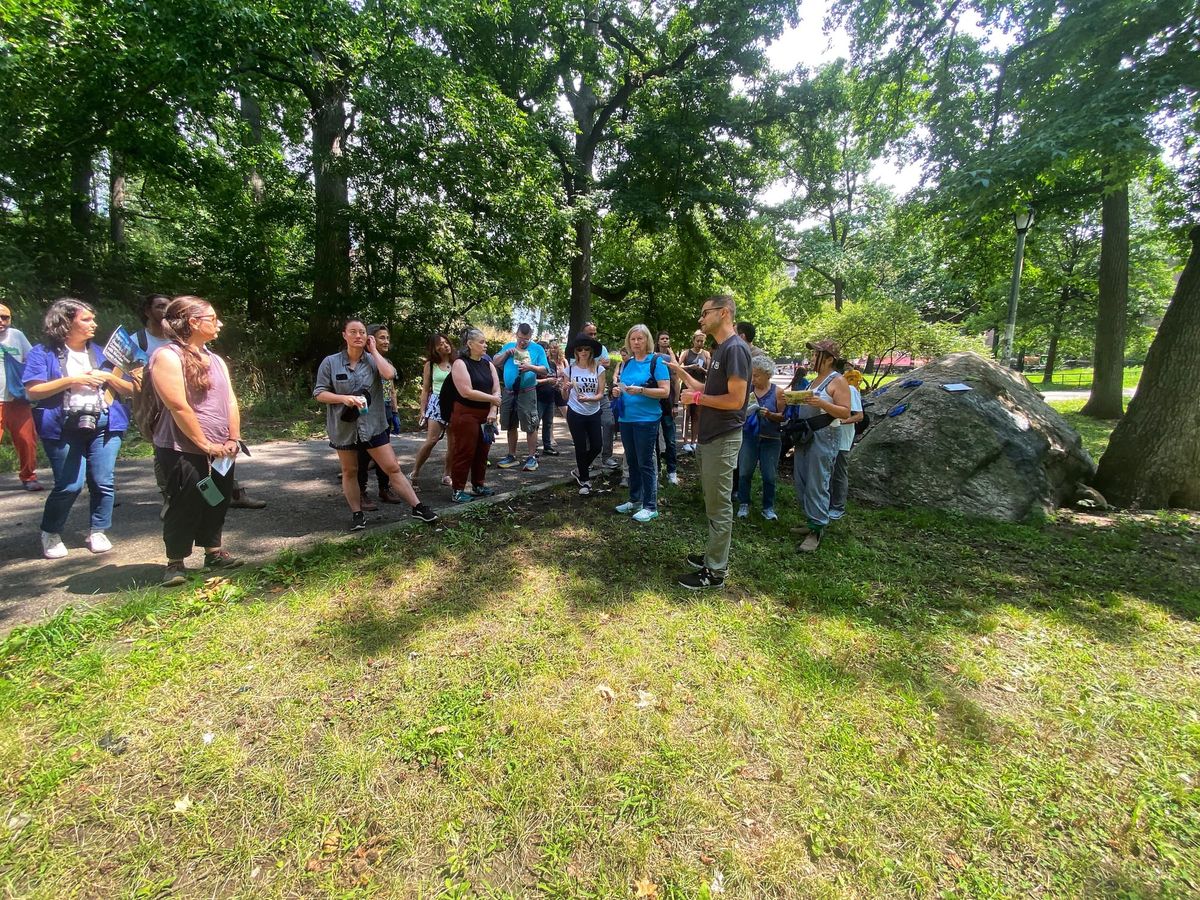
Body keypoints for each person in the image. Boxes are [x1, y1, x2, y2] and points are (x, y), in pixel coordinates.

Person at [21, 298, 132, 558]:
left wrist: (108, 377)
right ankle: (50, 531)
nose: (94, 324)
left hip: (105, 423)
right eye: (86, 319)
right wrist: (73, 380)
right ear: (66, 323)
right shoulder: (42, 353)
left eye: (93, 319)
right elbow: (33, 391)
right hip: (62, 425)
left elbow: (133, 389)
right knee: (70, 484)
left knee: (103, 481)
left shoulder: (104, 354)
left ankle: (98, 530)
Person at [149, 297, 246, 584]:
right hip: (181, 447)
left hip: (222, 448)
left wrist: (233, 438)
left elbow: (230, 401)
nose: (220, 324)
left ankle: (213, 552)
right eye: (213, 318)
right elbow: (178, 406)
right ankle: (175, 563)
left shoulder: (216, 359)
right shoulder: (167, 356)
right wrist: (205, 445)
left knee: (218, 498)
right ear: (193, 322)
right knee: (184, 502)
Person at [314, 317, 438, 532]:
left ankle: (418, 507)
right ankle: (357, 514)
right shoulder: (330, 362)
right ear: (344, 335)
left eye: (362, 332)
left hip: (373, 426)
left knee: (392, 467)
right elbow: (319, 393)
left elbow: (389, 375)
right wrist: (344, 399)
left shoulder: (374, 360)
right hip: (344, 428)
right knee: (350, 471)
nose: (358, 336)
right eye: (353, 332)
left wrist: (374, 350)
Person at [668, 295, 751, 589]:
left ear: (723, 313)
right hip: (711, 437)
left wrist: (697, 398)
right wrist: (681, 373)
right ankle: (713, 556)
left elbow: (736, 400)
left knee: (719, 506)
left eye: (705, 313)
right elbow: (709, 389)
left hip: (722, 438)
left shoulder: (735, 349)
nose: (700, 319)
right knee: (713, 502)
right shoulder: (721, 349)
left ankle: (715, 572)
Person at [787, 340, 853, 552]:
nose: (813, 358)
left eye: (817, 354)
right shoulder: (814, 381)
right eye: (813, 354)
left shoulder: (838, 381)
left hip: (825, 436)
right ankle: (811, 521)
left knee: (817, 482)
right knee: (802, 480)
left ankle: (817, 529)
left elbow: (845, 412)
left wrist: (822, 403)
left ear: (830, 359)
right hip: (806, 436)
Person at [612, 324, 670, 523]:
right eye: (633, 339)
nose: (636, 342)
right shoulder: (627, 363)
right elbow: (624, 386)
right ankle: (635, 499)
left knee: (646, 462)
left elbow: (665, 391)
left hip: (647, 419)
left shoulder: (656, 361)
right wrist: (618, 391)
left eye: (640, 339)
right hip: (626, 418)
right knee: (632, 460)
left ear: (647, 341)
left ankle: (650, 506)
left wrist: (642, 391)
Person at [443, 327, 501, 502]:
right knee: (465, 450)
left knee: (483, 451)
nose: (485, 345)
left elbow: (497, 389)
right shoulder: (460, 364)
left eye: (485, 342)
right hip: (465, 413)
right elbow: (466, 391)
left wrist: (492, 410)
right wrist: (492, 399)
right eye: (481, 342)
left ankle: (478, 484)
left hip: (487, 414)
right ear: (470, 344)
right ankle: (458, 489)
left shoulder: (488, 364)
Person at [356, 324, 402, 507]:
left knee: (385, 454)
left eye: (387, 338)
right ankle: (361, 492)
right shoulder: (363, 361)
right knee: (363, 455)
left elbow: (391, 388)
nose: (386, 341)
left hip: (386, 410)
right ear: (371, 340)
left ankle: (384, 488)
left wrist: (395, 411)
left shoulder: (386, 362)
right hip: (367, 412)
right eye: (382, 337)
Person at [736, 354, 786, 521]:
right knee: (744, 472)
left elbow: (784, 417)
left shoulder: (778, 392)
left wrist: (770, 415)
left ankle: (768, 507)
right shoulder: (747, 390)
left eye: (756, 375)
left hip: (771, 439)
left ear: (767, 374)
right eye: (752, 375)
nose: (753, 379)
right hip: (749, 437)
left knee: (769, 475)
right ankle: (744, 503)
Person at [492, 323, 548, 472]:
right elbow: (495, 362)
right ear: (516, 334)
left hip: (527, 392)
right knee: (510, 424)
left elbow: (545, 370)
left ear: (531, 337)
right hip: (509, 392)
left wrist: (531, 367)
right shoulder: (508, 346)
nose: (522, 342)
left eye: (526, 339)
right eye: (520, 338)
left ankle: (531, 457)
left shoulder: (537, 349)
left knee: (530, 424)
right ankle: (511, 455)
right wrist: (506, 354)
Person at [0, 302, 42, 491]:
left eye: (5, 317)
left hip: (17, 398)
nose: (1, 321)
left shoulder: (16, 336)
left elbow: (32, 359)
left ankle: (29, 476)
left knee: (27, 440)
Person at [559, 332, 607, 495]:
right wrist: (565, 389)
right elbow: (564, 397)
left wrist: (590, 398)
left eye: (586, 349)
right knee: (580, 446)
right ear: (575, 352)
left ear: (591, 351)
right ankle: (585, 481)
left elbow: (601, 394)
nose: (583, 352)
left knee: (597, 446)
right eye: (580, 349)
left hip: (593, 411)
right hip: (575, 412)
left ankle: (580, 469)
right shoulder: (569, 370)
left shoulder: (599, 369)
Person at [411, 333, 454, 486]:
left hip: (455, 404)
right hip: (437, 403)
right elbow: (425, 389)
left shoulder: (458, 363)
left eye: (446, 342)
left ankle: (447, 474)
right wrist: (422, 410)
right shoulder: (430, 365)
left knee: (453, 444)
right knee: (432, 440)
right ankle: (415, 472)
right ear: (434, 349)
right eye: (440, 344)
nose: (445, 345)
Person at [827, 366, 864, 522]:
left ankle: (838, 507)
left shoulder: (850, 390)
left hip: (842, 438)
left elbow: (859, 416)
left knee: (839, 472)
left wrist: (841, 421)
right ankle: (827, 503)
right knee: (827, 472)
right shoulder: (828, 388)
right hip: (827, 437)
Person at [583, 321, 621, 470]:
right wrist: (598, 363)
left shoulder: (602, 348)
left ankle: (607, 457)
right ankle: (588, 460)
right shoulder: (577, 349)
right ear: (583, 334)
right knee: (587, 427)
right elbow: (578, 367)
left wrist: (592, 363)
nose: (593, 336)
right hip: (585, 396)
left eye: (595, 333)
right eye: (590, 334)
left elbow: (606, 364)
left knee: (609, 422)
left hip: (602, 393)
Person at [654, 331, 680, 485]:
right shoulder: (653, 357)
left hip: (668, 405)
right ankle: (657, 471)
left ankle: (672, 472)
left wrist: (676, 404)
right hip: (654, 404)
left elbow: (676, 381)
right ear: (657, 341)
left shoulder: (672, 357)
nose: (665, 340)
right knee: (654, 440)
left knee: (670, 440)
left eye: (667, 338)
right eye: (662, 338)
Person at [678, 330, 710, 454]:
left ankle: (694, 441)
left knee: (697, 415)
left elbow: (710, 372)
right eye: (698, 341)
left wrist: (702, 370)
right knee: (686, 414)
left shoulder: (706, 354)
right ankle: (685, 442)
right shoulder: (686, 353)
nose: (700, 343)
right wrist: (689, 367)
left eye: (702, 341)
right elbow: (678, 367)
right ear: (693, 340)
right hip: (687, 387)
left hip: (700, 388)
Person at [535, 339, 562, 456]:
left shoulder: (552, 364)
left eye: (547, 349)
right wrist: (547, 380)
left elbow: (553, 378)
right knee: (535, 424)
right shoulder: (535, 365)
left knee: (548, 423)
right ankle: (534, 448)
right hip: (538, 397)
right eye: (543, 349)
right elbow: (532, 381)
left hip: (550, 397)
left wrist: (556, 383)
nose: (546, 351)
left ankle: (547, 446)